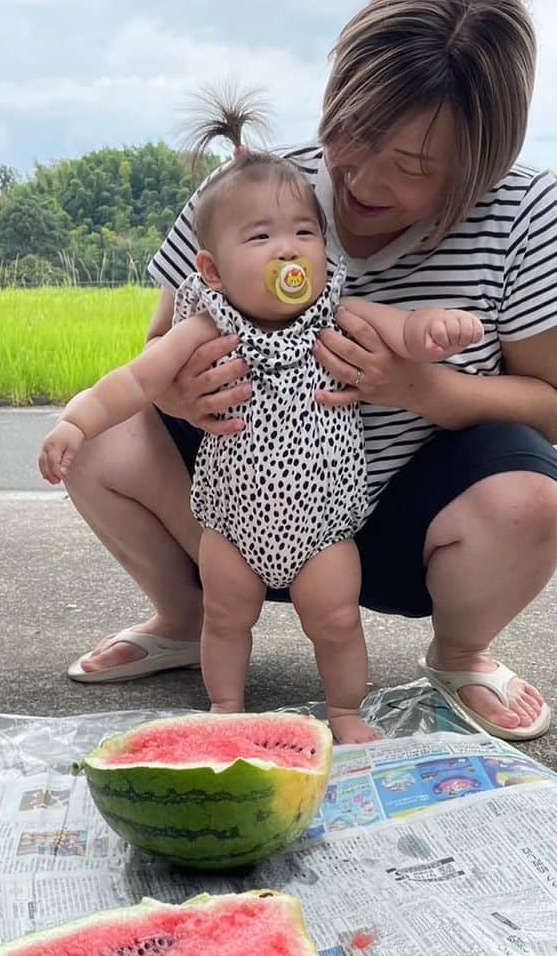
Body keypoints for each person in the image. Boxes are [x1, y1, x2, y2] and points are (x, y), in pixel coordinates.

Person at [61, 0, 557, 742]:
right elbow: (160, 344)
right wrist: (182, 391)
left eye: (412, 167)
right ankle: (185, 620)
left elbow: (555, 406)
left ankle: (462, 653)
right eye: (350, 129)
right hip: (237, 505)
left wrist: (423, 388)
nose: (357, 176)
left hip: (398, 520)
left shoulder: (526, 213)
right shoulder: (256, 190)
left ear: (478, 166)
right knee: (99, 430)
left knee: (530, 500)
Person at [41, 100, 480, 742]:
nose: (289, 250)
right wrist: (76, 423)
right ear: (213, 270)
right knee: (226, 619)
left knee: (335, 621)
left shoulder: (338, 311)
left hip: (322, 523)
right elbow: (134, 381)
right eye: (261, 237)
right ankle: (225, 707)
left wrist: (436, 329)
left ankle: (346, 713)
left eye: (305, 232)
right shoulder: (205, 325)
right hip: (231, 523)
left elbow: (404, 331)